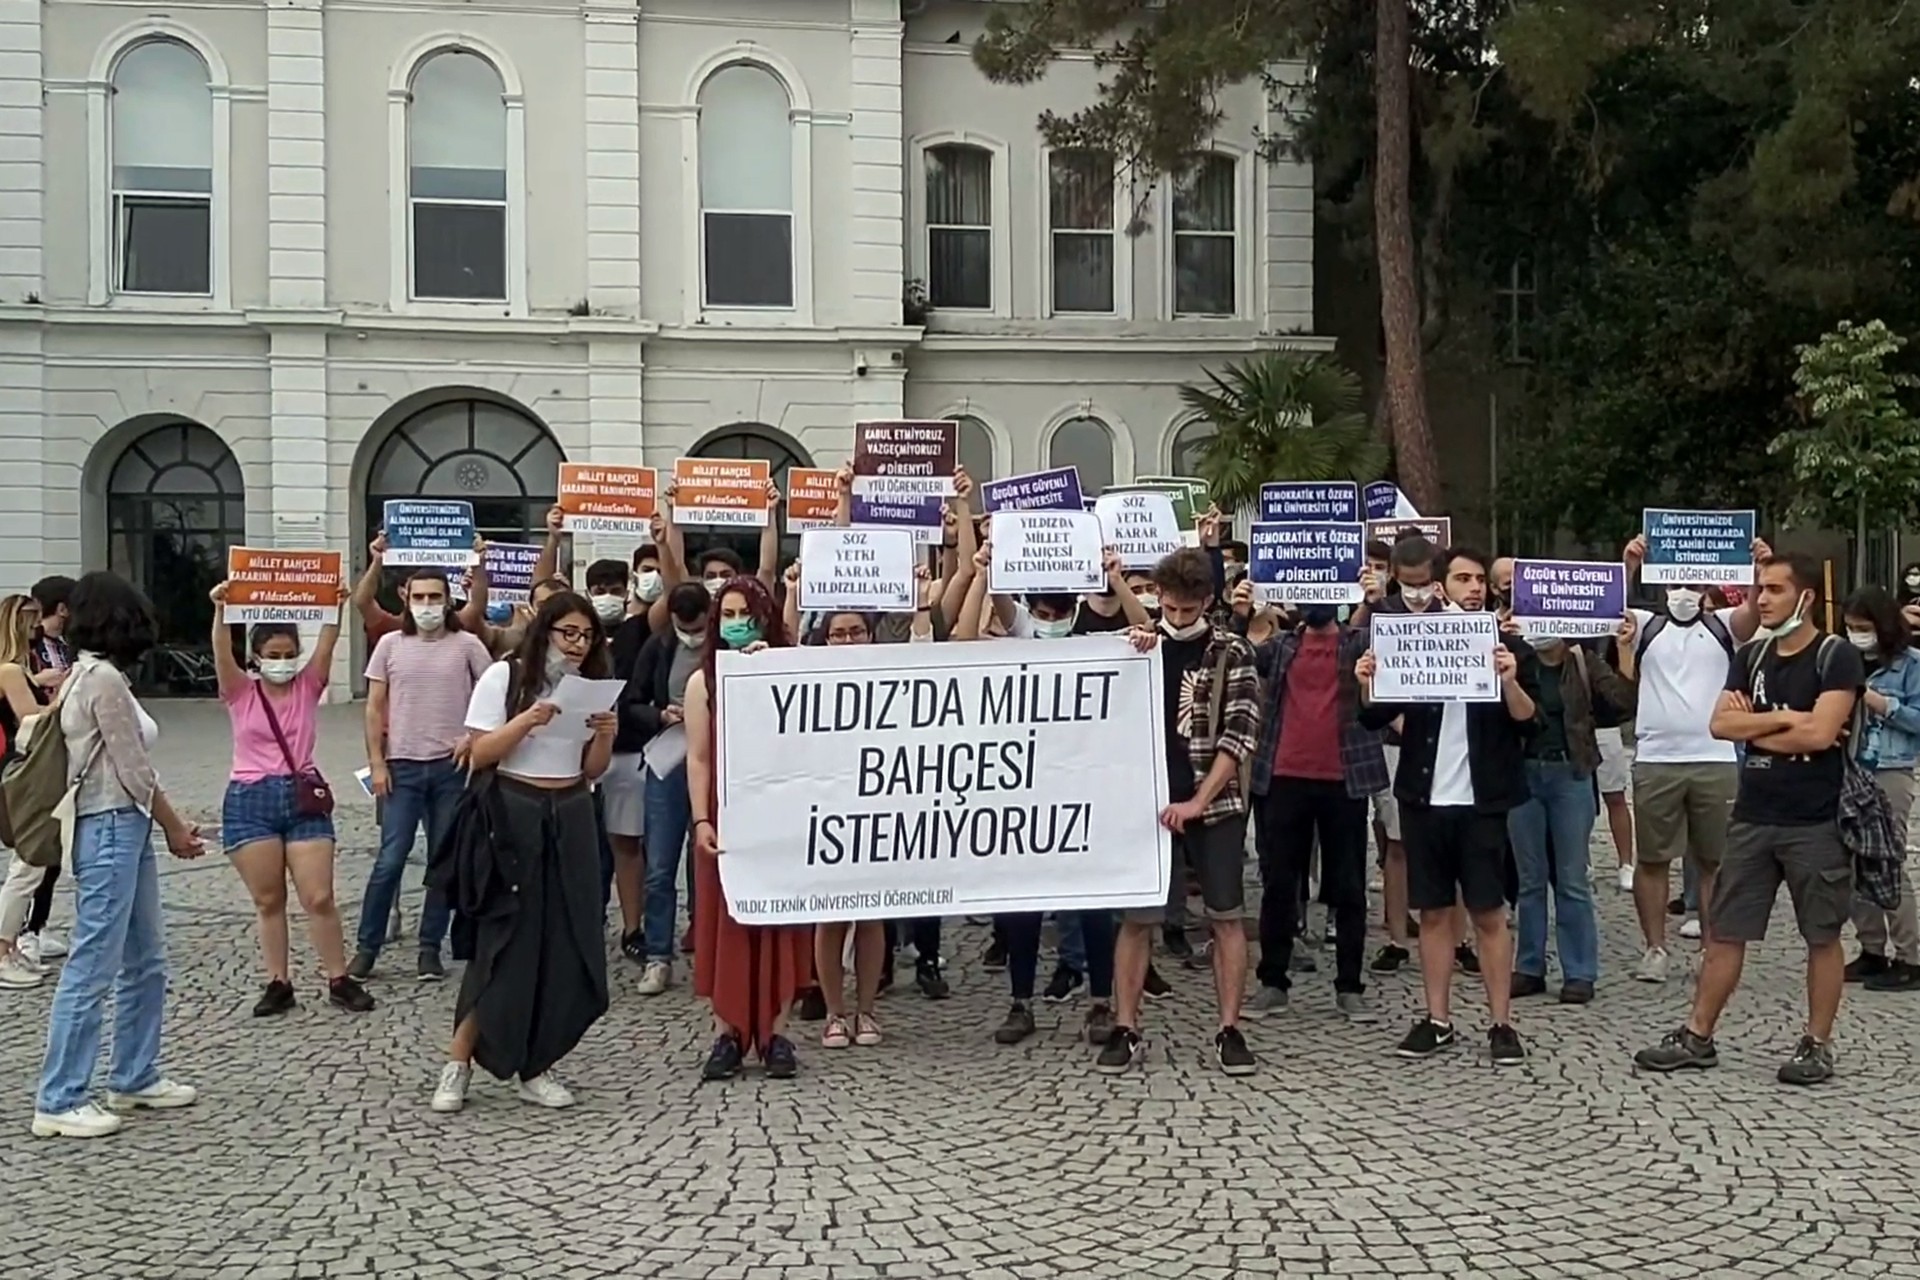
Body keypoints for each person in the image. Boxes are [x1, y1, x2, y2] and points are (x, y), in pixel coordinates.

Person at [1635, 553, 1862, 1085]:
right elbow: (1719, 724)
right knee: (1725, 931)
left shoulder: (1836, 657)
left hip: (1816, 818)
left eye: (1776, 590)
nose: (1762, 598)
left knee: (1822, 935)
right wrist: (1783, 717)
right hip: (1754, 814)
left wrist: (1754, 725)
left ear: (1805, 598)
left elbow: (1821, 735)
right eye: (1760, 588)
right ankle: (1698, 1035)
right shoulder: (1753, 656)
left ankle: (1816, 1043)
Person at [31, 571, 206, 1140]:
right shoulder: (102, 679)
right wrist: (177, 828)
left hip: (121, 824)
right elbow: (134, 771)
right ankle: (60, 1096)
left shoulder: (93, 675)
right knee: (94, 964)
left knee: (146, 957)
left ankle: (134, 1074)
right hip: (109, 824)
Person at [429, 591, 617, 1113]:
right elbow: (479, 753)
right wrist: (527, 720)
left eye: (587, 635)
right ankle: (459, 1060)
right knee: (503, 938)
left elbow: (592, 769)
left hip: (572, 810)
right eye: (569, 634)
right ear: (547, 631)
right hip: (514, 809)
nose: (578, 645)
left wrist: (605, 734)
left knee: (562, 939)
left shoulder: (594, 684)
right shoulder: (505, 677)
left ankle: (536, 1064)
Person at [1357, 546, 1540, 1065]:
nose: (1475, 587)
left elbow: (1530, 722)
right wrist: (1366, 681)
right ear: (1441, 588)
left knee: (1488, 913)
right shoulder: (1414, 643)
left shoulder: (1508, 646)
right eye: (1463, 579)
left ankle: (1501, 1022)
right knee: (1434, 912)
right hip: (1424, 797)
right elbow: (1374, 716)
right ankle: (1438, 1018)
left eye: (1481, 579)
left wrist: (1507, 680)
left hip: (1483, 802)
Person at [1100, 548, 1263, 1077]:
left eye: (1188, 612)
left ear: (1207, 603)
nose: (1177, 619)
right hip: (1147, 802)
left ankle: (1229, 1027)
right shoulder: (1141, 644)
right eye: (1170, 609)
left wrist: (1198, 801)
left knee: (1226, 915)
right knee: (1137, 919)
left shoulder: (1233, 651)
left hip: (1215, 805)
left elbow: (1238, 737)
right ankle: (1126, 1025)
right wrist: (1132, 648)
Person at [210, 582, 373, 1016]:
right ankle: (278, 982)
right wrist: (222, 609)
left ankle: (339, 978)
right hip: (250, 799)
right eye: (273, 655)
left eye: (288, 654)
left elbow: (328, 641)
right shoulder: (241, 692)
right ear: (257, 658)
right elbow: (221, 651)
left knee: (318, 896)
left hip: (302, 796)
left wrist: (333, 605)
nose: (281, 663)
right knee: (269, 900)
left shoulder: (307, 686)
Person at [1238, 579, 1388, 1023]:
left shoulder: (1360, 643)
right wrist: (1242, 612)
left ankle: (1349, 986)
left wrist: (1376, 598)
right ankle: (1273, 982)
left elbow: (1402, 641)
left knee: (1348, 887)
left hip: (1344, 779)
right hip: (1284, 777)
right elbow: (1237, 654)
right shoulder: (1281, 645)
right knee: (1280, 886)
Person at [1619, 534, 1765, 982]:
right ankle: (1655, 948)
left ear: (1706, 588)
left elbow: (1753, 615)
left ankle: (1710, 948)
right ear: (1662, 587)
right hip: (1657, 757)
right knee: (1653, 859)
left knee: (1713, 860)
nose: (1683, 593)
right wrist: (1627, 565)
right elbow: (1602, 608)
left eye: (1693, 584)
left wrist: (1759, 572)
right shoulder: (1646, 623)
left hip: (1715, 757)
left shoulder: (1722, 624)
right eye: (1675, 584)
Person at [686, 575, 813, 1081]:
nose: (738, 624)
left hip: (776, 807)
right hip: (724, 809)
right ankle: (727, 1031)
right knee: (725, 918)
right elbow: (697, 758)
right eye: (729, 616)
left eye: (747, 614)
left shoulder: (786, 666)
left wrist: (770, 674)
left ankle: (777, 1030)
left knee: (778, 918)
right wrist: (700, 819)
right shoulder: (704, 681)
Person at [352, 567, 495, 981]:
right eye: (420, 597)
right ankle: (367, 946)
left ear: (448, 600)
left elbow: (493, 693)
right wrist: (377, 762)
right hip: (402, 768)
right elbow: (374, 706)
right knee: (390, 859)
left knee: (442, 861)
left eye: (436, 597)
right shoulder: (390, 645)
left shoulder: (466, 645)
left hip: (452, 768)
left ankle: (430, 947)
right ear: (406, 599)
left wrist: (474, 737)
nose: (428, 605)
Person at [1507, 618, 1639, 1004]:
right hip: (1524, 772)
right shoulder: (1518, 658)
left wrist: (1626, 650)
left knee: (1572, 877)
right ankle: (1528, 967)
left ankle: (1579, 971)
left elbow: (1622, 702)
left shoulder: (1582, 660)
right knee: (1530, 877)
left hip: (1571, 773)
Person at [1353, 535, 1450, 974]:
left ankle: (1458, 936)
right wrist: (1399, 723)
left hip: (1449, 744)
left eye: (1424, 582)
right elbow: (1369, 677)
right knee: (1397, 842)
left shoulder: (1452, 616)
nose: (1417, 590)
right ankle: (1396, 935)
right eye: (1409, 583)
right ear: (1394, 577)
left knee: (1454, 840)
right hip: (1396, 742)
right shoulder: (1382, 616)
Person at [630, 582, 713, 995]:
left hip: (713, 760)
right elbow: (630, 702)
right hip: (666, 759)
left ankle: (706, 946)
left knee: (706, 861)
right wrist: (659, 714)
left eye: (699, 628)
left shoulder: (723, 647)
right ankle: (658, 956)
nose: (693, 636)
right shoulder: (659, 646)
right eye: (687, 629)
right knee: (660, 865)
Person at [1839, 586, 1920, 992]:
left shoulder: (1910, 666)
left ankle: (1910, 956)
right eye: (1852, 627)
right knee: (1853, 861)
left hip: (1891, 768)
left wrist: (1881, 704)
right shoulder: (1843, 659)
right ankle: (1872, 949)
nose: (1857, 635)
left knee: (1888, 860)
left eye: (1864, 628)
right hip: (1849, 768)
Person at [0, 593, 58, 987]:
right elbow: (29, 718)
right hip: (18, 771)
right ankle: (3, 948)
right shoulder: (9, 668)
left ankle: (14, 943)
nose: (38, 629)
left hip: (25, 768)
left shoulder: (19, 668)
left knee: (32, 863)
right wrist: (70, 695)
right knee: (28, 862)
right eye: (32, 622)